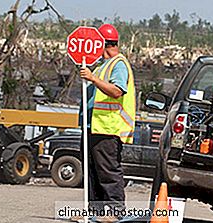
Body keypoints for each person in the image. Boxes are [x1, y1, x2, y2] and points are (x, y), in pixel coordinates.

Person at [79, 24, 136, 221]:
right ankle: (95, 213)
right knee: (92, 173)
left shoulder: (118, 64)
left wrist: (93, 79)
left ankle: (115, 211)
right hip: (94, 127)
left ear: (101, 44)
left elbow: (117, 91)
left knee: (108, 172)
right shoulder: (104, 65)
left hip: (108, 128)